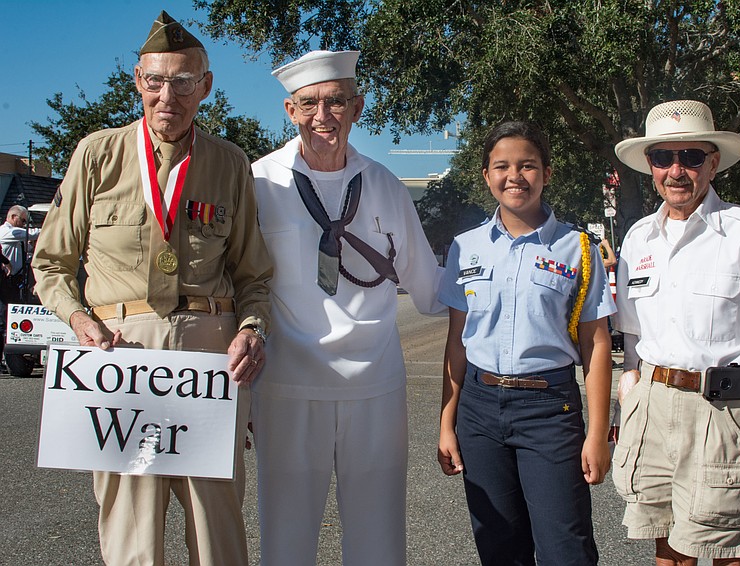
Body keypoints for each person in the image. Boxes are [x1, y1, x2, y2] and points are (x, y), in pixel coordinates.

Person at [31, 11, 272, 566]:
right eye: (157, 81)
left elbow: (253, 274)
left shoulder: (230, 163)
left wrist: (253, 330)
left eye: (184, 82)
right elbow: (50, 264)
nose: (169, 95)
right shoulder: (98, 155)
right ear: (137, 81)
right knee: (130, 531)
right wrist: (79, 321)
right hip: (117, 353)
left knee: (218, 532)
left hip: (208, 361)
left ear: (205, 87)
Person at [250, 50, 444, 565]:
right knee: (285, 543)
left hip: (374, 386)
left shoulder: (385, 185)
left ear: (357, 107)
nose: (323, 116)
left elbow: (429, 290)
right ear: (290, 111)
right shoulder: (258, 182)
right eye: (309, 103)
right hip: (287, 384)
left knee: (379, 542)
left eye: (336, 102)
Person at [611, 99, 740, 564]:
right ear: (650, 165)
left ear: (713, 162)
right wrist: (631, 397)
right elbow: (636, 336)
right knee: (666, 544)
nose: (677, 170)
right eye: (664, 158)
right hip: (653, 407)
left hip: (721, 412)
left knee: (725, 547)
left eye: (692, 157)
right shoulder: (639, 237)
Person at [437, 121, 615, 565]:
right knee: (498, 545)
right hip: (479, 409)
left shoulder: (578, 248)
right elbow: (457, 343)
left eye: (527, 165)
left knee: (565, 548)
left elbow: (596, 346)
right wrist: (447, 422)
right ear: (486, 176)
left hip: (549, 410)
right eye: (502, 166)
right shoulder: (465, 247)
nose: (515, 176)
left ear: (547, 173)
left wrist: (597, 434)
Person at [0, 205, 40, 303]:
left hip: (17, 279)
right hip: (7, 277)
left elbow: (25, 250)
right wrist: (50, 230)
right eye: (23, 221)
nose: (24, 225)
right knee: (8, 305)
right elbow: (31, 234)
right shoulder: (7, 231)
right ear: (13, 217)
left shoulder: (16, 236)